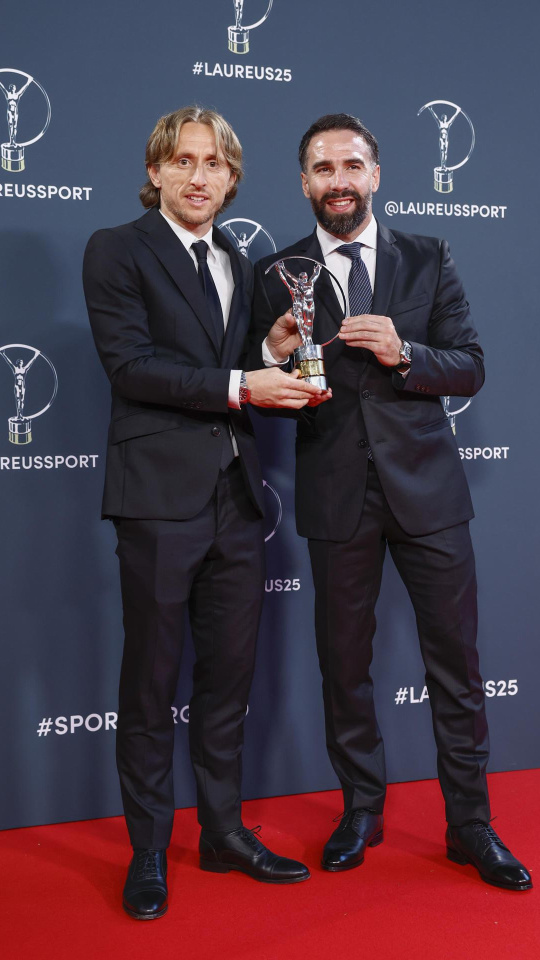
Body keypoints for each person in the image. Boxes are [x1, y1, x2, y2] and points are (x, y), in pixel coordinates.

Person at [249, 113, 532, 891]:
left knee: (457, 667)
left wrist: (406, 352)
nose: (338, 180)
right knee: (345, 667)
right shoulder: (277, 272)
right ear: (304, 183)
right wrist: (273, 352)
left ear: (375, 175)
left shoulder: (427, 257)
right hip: (336, 497)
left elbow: (470, 366)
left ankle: (470, 825)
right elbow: (251, 380)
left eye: (351, 165)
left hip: (430, 496)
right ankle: (361, 809)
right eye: (322, 168)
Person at [83, 106, 326, 920]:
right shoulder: (117, 249)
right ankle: (149, 850)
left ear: (231, 180)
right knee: (152, 683)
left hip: (235, 500)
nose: (198, 177)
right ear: (155, 171)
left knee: (228, 683)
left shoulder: (239, 258)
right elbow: (131, 366)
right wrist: (240, 386)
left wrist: (272, 352)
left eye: (214, 165)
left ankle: (222, 831)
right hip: (155, 500)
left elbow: (236, 367)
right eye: (182, 161)